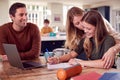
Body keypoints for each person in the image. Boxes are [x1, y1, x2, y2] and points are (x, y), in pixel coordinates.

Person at [48, 7, 120, 68]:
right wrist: (58, 59)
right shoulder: (86, 38)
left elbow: (104, 63)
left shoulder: (108, 38)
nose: (83, 27)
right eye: (77, 23)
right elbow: (72, 54)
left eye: (88, 28)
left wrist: (113, 49)